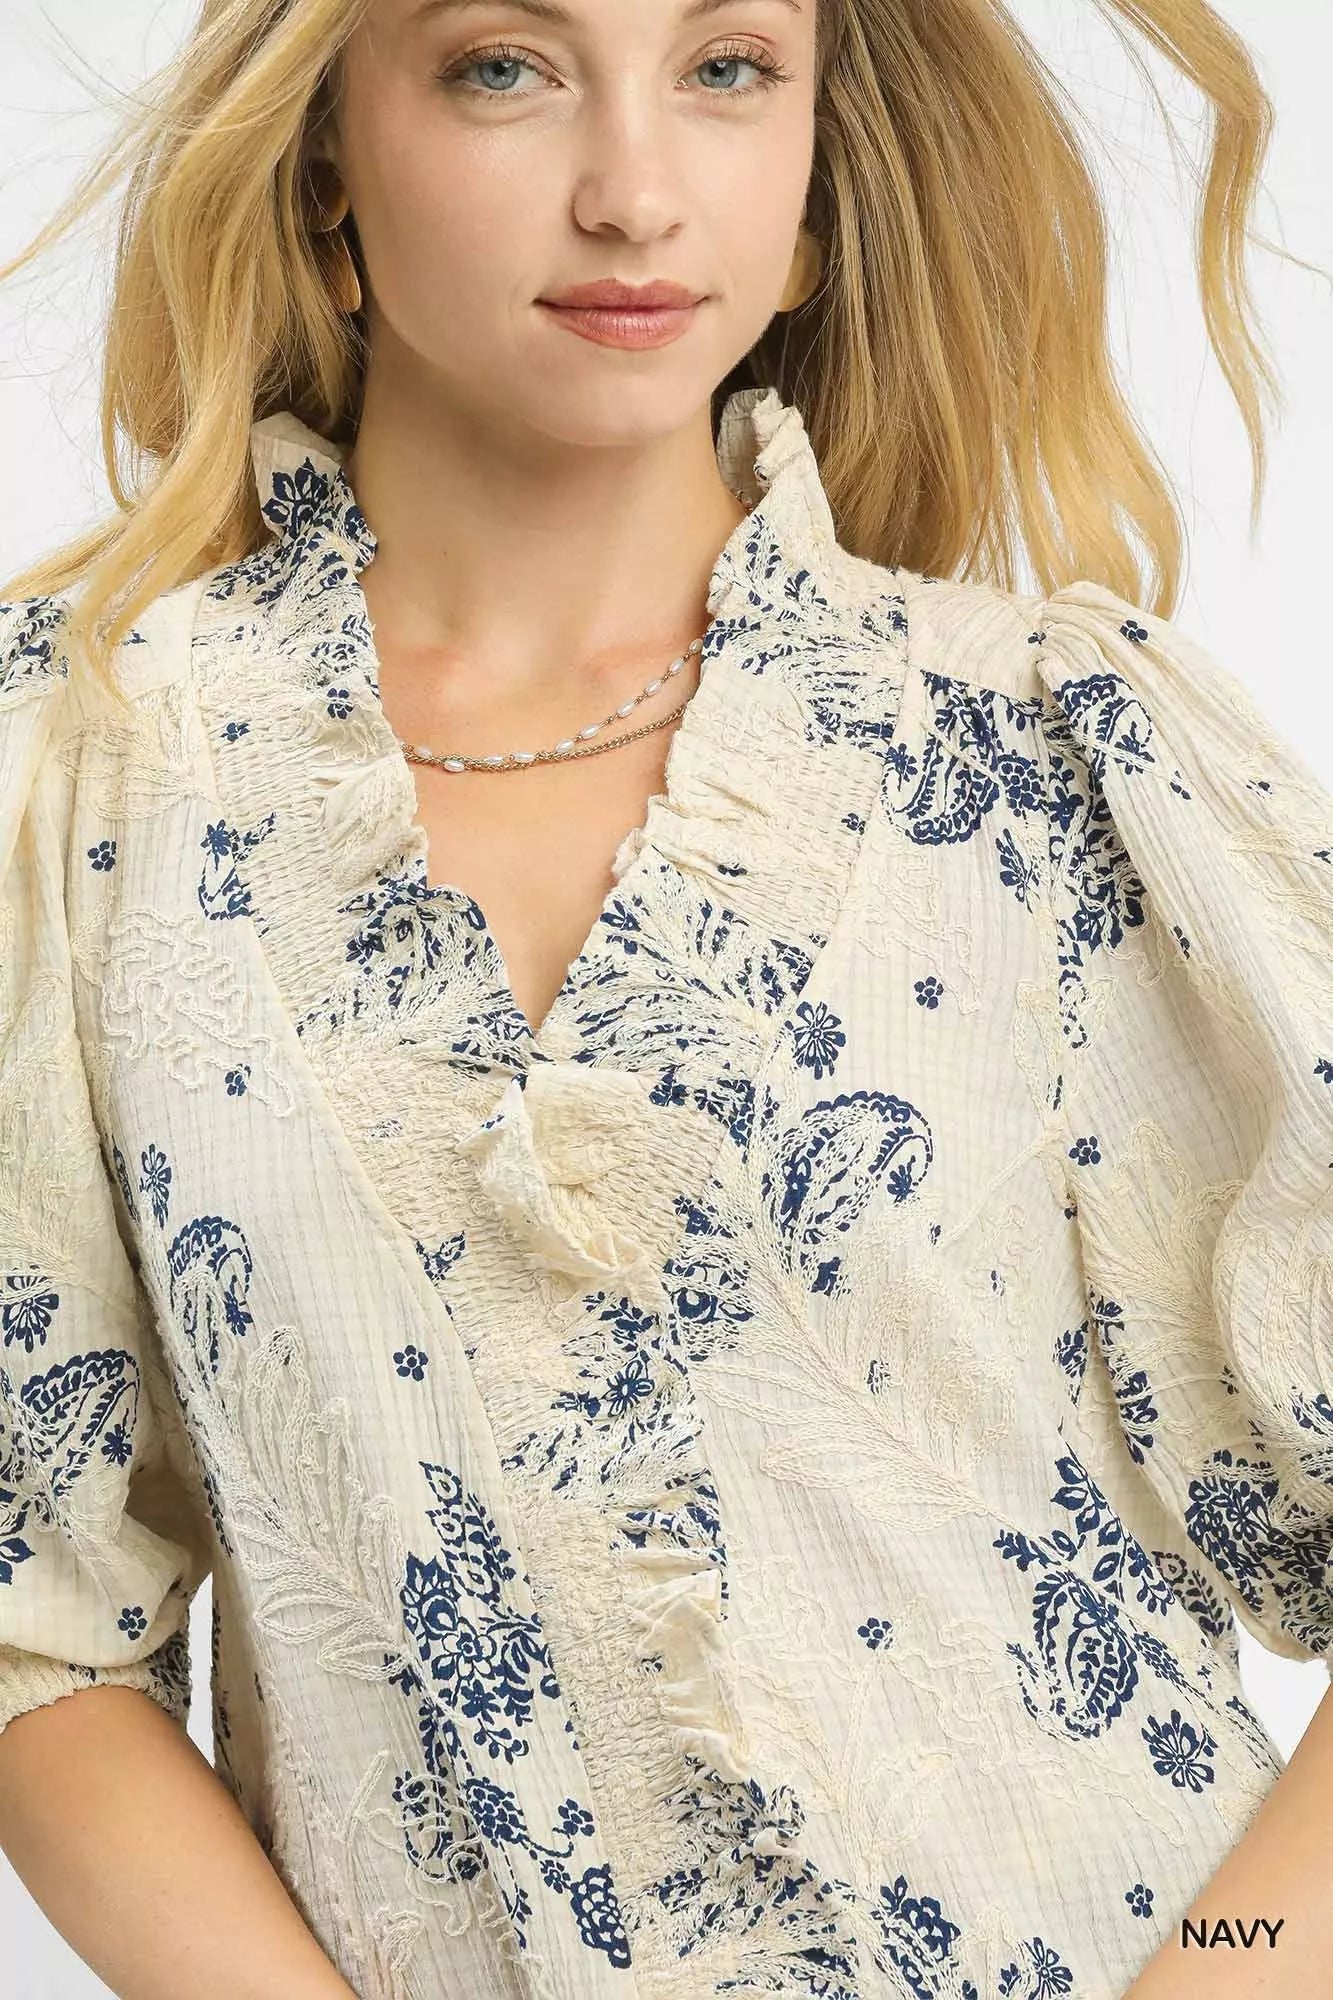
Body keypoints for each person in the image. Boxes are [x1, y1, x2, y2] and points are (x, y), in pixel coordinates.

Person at [0, 1, 1330, 1997]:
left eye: (726, 70)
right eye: (503, 67)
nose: (633, 192)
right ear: (327, 161)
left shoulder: (1044, 758)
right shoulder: (85, 779)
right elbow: (34, 1619)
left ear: (807, 191)